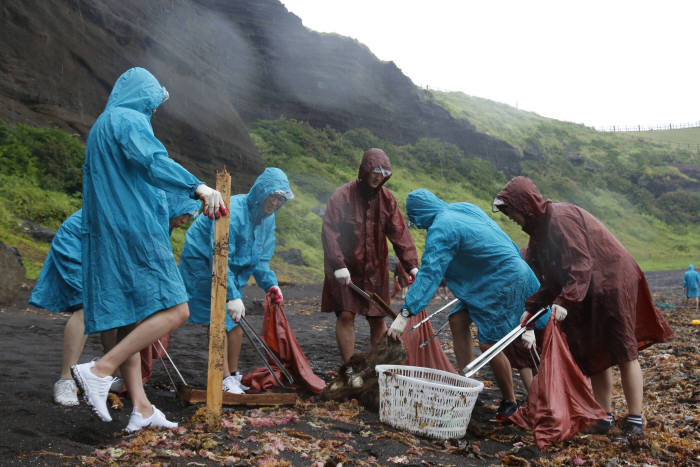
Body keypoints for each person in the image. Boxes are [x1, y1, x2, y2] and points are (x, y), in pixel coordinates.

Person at [70, 67, 227, 433]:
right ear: (143, 95)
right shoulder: (127, 119)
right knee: (177, 309)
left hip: (108, 229)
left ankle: (141, 406)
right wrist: (197, 187)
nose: (154, 110)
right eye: (153, 101)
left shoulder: (102, 125)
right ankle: (99, 370)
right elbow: (152, 162)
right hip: (133, 228)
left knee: (127, 317)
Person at [493, 176, 674, 437]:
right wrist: (532, 308)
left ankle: (635, 419)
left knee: (624, 350)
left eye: (512, 212)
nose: (511, 218)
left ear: (526, 205)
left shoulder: (560, 219)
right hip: (588, 288)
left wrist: (565, 301)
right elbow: (553, 279)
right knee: (595, 352)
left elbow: (580, 264)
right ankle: (603, 415)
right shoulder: (539, 234)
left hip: (612, 280)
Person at [387, 188, 546, 420]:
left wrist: (405, 313)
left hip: (501, 282)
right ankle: (465, 382)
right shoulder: (461, 208)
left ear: (420, 214)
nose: (417, 225)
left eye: (415, 220)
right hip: (496, 275)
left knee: (490, 343)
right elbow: (466, 253)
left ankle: (510, 402)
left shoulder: (442, 227)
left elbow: (432, 270)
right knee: (457, 318)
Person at [30, 193, 200, 407]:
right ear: (173, 206)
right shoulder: (144, 214)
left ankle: (111, 376)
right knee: (88, 305)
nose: (185, 220)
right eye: (185, 214)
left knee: (117, 310)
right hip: (81, 241)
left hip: (109, 251)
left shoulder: (162, 224)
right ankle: (65, 379)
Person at [180, 167, 293, 394]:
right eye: (273, 196)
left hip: (232, 270)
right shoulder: (235, 212)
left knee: (236, 321)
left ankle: (232, 374)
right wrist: (232, 296)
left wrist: (270, 283)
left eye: (280, 199)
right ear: (262, 192)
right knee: (219, 319)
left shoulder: (267, 219)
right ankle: (222, 378)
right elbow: (220, 256)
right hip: (203, 262)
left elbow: (261, 258)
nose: (275, 203)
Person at [321, 148, 419, 380]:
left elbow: (399, 233)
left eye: (383, 172)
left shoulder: (387, 199)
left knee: (377, 318)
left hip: (375, 269)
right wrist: (338, 264)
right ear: (365, 169)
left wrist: (411, 264)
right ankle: (349, 368)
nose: (378, 176)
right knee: (346, 315)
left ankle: (377, 368)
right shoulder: (342, 196)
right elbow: (330, 232)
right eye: (375, 171)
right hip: (346, 268)